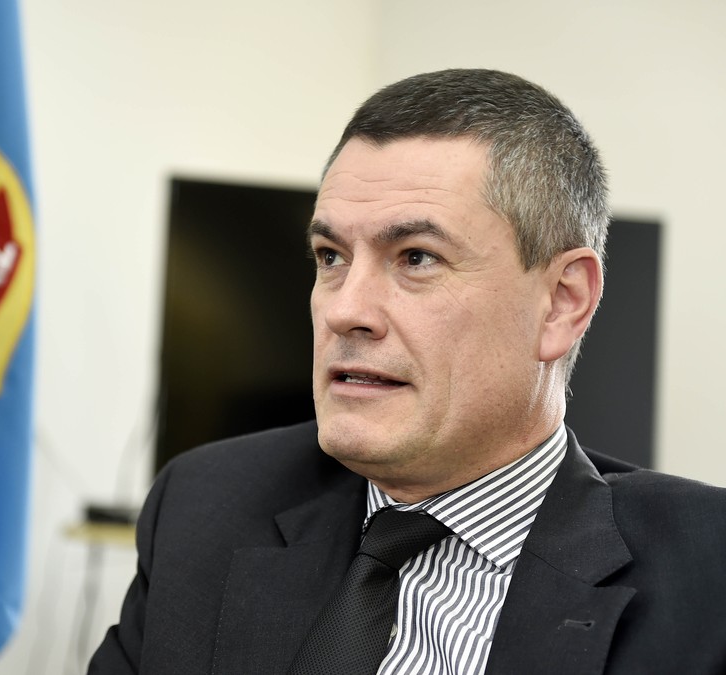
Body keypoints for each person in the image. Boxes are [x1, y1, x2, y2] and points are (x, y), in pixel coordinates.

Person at [88, 69, 726, 674]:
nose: (344, 310)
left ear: (562, 302)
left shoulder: (706, 574)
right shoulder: (204, 507)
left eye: (416, 257)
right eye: (330, 256)